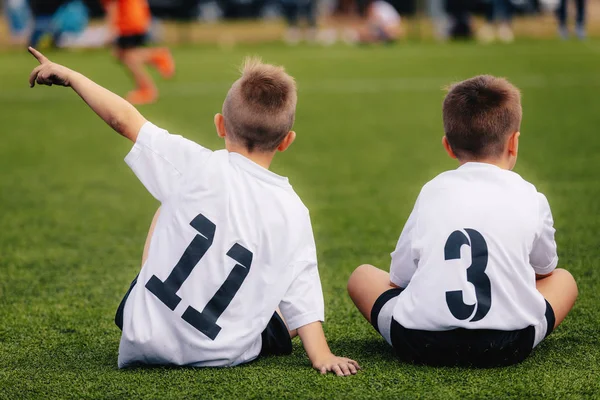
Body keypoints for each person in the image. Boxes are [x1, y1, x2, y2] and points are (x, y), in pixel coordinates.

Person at [27, 47, 360, 376]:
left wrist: (71, 76)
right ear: (287, 141)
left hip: (145, 334)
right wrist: (322, 355)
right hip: (224, 351)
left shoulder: (196, 165)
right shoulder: (293, 211)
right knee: (277, 312)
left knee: (170, 200)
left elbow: (123, 118)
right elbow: (301, 290)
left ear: (220, 125)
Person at [347, 75, 578, 367]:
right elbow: (544, 270)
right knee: (564, 279)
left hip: (420, 342)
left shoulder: (432, 191)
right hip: (508, 345)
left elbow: (399, 278)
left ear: (448, 146)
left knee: (362, 276)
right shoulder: (531, 196)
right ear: (514, 143)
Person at [102, 0, 175, 105]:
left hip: (128, 22)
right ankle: (157, 55)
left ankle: (147, 90)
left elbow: (112, 6)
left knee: (130, 58)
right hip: (136, 18)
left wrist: (110, 29)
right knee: (121, 54)